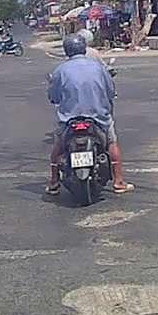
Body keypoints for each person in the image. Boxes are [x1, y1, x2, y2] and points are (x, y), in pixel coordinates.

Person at [46, 33, 132, 195]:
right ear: (84, 48)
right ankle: (118, 181)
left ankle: (54, 181)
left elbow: (54, 96)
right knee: (111, 142)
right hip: (98, 117)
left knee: (58, 146)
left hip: (69, 119)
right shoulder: (98, 67)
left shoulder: (60, 70)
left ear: (66, 50)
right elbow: (110, 91)